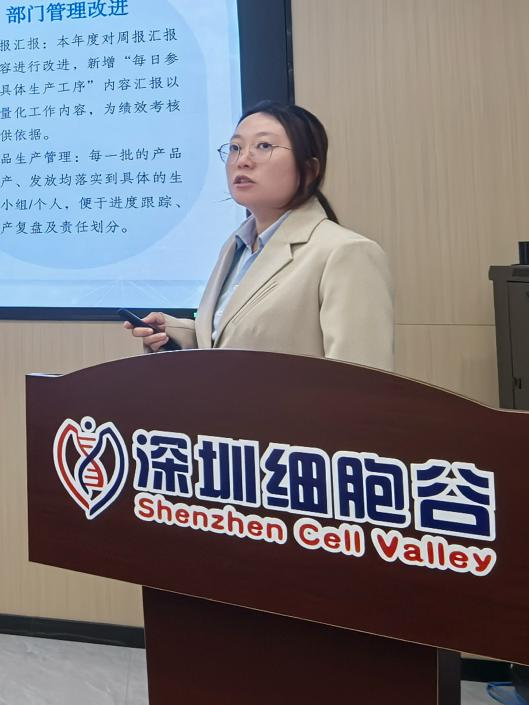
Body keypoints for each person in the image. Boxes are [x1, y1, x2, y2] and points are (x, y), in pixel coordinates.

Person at [125, 101, 394, 370]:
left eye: (264, 146)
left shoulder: (346, 252)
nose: (242, 160)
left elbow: (361, 381)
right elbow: (241, 343)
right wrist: (175, 333)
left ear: (310, 169)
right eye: (235, 148)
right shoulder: (236, 246)